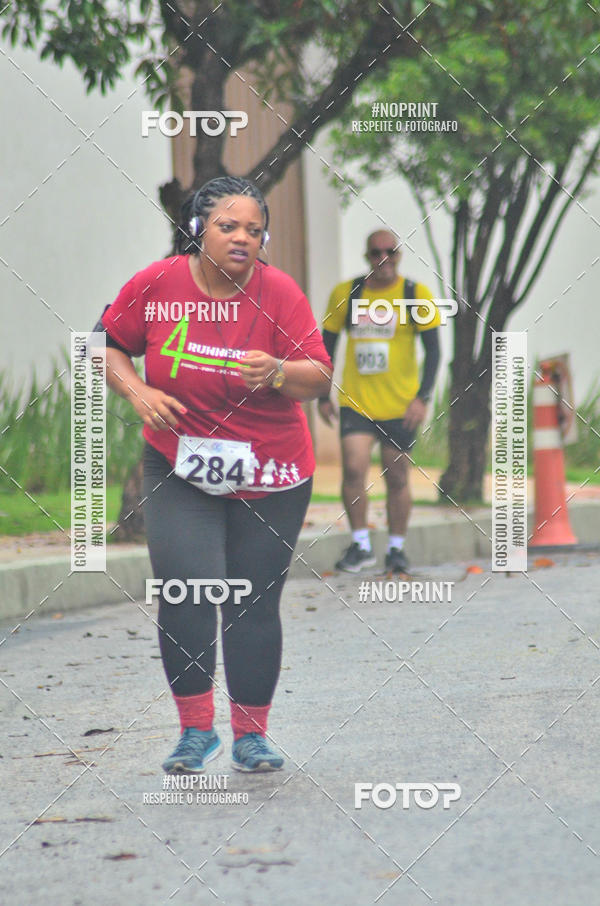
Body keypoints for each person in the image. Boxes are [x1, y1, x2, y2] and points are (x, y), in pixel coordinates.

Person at [98, 176, 332, 774]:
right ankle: (195, 731)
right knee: (187, 589)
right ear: (198, 228)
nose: (242, 239)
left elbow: (318, 377)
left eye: (254, 230)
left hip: (272, 470)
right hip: (180, 463)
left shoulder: (278, 292)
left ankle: (251, 736)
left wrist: (279, 371)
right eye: (229, 226)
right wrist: (138, 391)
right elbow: (103, 344)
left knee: (253, 603)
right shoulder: (156, 283)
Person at [318, 230, 440, 574]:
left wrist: (423, 398)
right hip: (356, 402)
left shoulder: (416, 295)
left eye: (391, 252)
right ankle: (360, 544)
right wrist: (321, 393)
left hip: (401, 405)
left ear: (399, 255)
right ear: (366, 256)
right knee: (354, 468)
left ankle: (397, 549)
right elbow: (326, 346)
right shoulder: (347, 293)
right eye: (376, 253)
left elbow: (434, 351)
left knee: (397, 475)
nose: (383, 259)